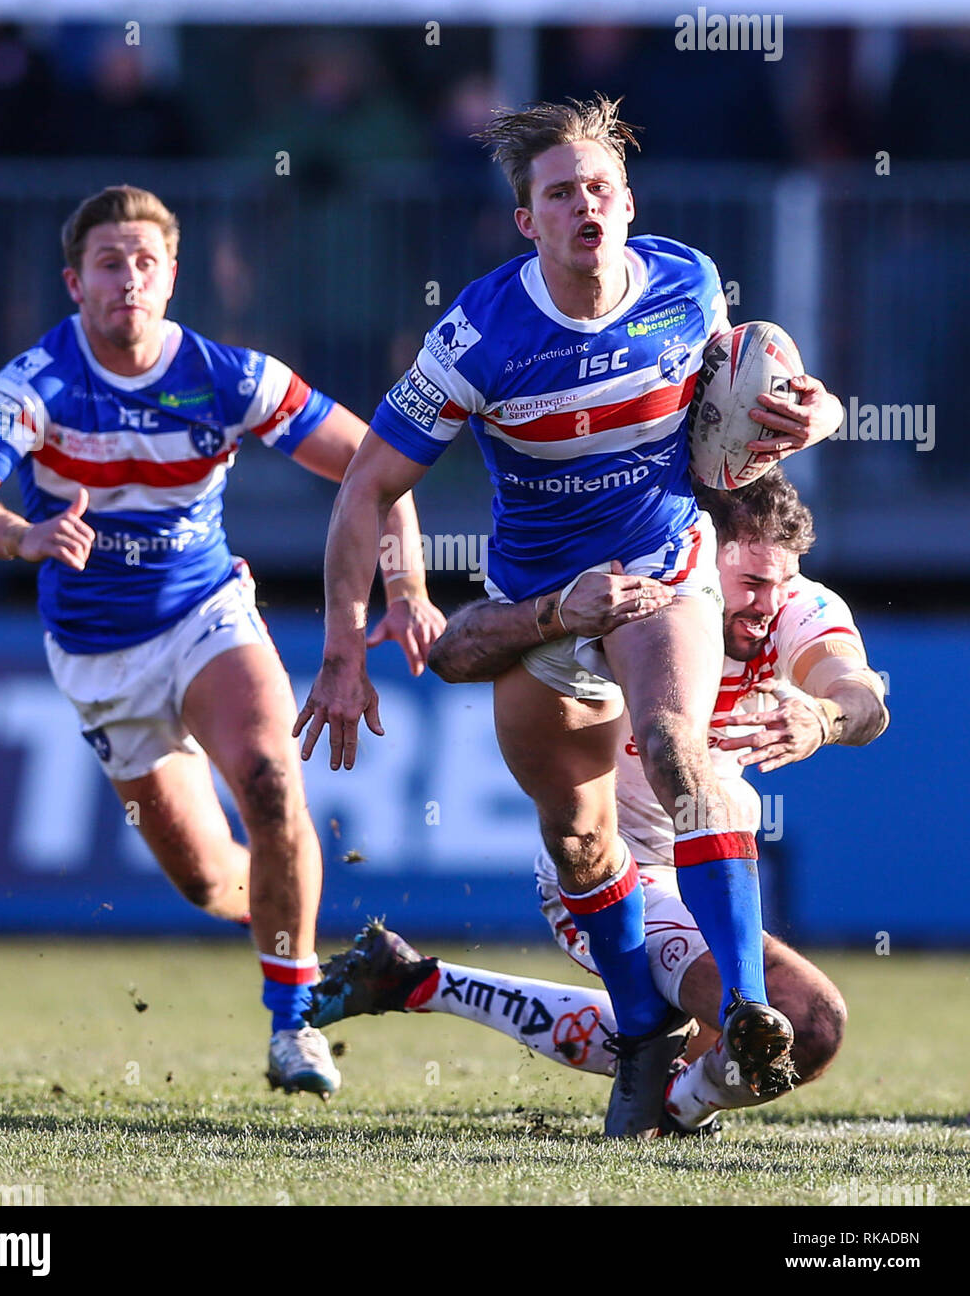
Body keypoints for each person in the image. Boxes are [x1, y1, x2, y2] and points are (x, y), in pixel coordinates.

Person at [294, 94, 845, 1136]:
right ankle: (642, 1028)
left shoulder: (687, 286)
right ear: (527, 221)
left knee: (683, 749)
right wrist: (340, 644)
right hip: (540, 606)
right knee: (580, 842)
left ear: (628, 203)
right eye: (560, 193)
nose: (584, 205)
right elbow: (365, 486)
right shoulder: (479, 337)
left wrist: (819, 410)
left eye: (600, 188)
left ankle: (745, 1004)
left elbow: (759, 395)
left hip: (658, 573)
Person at [0, 184, 443, 1100]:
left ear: (172, 277)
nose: (127, 279)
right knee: (209, 885)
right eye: (108, 263)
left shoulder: (230, 376)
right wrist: (21, 536)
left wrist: (402, 589)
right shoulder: (36, 382)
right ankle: (295, 930)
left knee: (274, 783)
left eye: (144, 262)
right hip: (98, 657)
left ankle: (294, 1025)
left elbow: (379, 469)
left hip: (206, 615)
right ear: (73, 282)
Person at [307, 471, 890, 1137]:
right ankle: (676, 1110)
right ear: (697, 558)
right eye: (751, 585)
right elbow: (453, 652)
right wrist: (550, 613)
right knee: (802, 1020)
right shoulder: (630, 601)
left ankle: (416, 982)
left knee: (721, 1041)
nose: (768, 603)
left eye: (780, 583)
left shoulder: (796, 607)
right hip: (611, 877)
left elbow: (861, 697)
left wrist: (822, 716)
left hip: (712, 871)